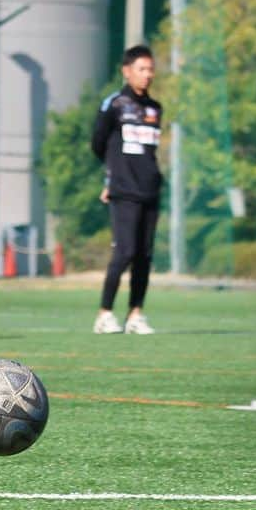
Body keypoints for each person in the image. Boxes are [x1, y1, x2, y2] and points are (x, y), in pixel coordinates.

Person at [91, 45, 162, 335]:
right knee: (125, 252)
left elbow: (149, 151)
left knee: (144, 255)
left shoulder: (154, 109)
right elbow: (98, 143)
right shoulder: (115, 104)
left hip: (150, 190)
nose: (147, 75)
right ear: (127, 71)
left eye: (150, 69)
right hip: (123, 190)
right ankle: (105, 314)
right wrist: (112, 177)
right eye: (141, 69)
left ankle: (135, 314)